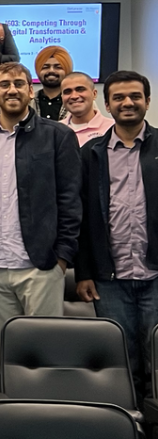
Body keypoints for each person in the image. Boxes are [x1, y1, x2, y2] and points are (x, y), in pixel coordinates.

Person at [0, 62, 81, 361]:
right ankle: (12, 406)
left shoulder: (58, 136)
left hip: (39, 265)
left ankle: (49, 408)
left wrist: (62, 258)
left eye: (18, 84)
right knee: (5, 355)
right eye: (4, 84)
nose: (11, 90)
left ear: (30, 91)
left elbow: (70, 200)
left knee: (46, 353)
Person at [74, 70, 156, 403]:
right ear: (107, 104)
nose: (127, 103)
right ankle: (130, 423)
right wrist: (84, 273)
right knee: (123, 360)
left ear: (147, 102)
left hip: (155, 275)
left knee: (157, 360)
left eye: (135, 96)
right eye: (119, 97)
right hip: (109, 278)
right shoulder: (91, 153)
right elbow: (80, 217)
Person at [61, 71, 114, 146]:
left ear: (94, 94)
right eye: (67, 91)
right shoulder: (55, 130)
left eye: (80, 89)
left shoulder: (113, 128)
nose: (74, 96)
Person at [34, 45, 73, 121]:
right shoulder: (28, 101)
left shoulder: (79, 100)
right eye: (45, 67)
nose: (51, 71)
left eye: (58, 67)